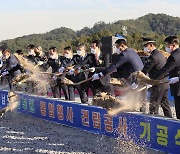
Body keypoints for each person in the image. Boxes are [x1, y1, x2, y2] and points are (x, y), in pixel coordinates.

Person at [142, 38, 172, 117]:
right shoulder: (160, 54)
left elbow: (145, 70)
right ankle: (170, 123)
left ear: (151, 45)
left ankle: (153, 125)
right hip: (164, 83)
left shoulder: (153, 56)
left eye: (146, 45)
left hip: (157, 85)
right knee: (165, 105)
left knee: (153, 107)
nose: (144, 48)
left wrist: (138, 81)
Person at [154, 36, 180, 119]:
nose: (166, 47)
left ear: (173, 44)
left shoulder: (174, 57)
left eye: (167, 45)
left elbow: (164, 70)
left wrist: (152, 81)